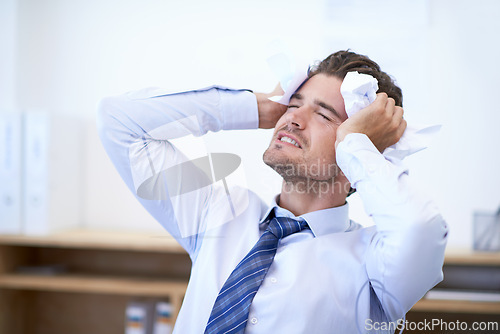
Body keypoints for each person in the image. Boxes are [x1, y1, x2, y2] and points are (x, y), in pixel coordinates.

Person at [97, 50, 448, 333]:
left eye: (324, 115)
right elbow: (119, 122)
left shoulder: (374, 264)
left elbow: (421, 229)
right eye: (294, 104)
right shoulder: (217, 212)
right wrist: (252, 108)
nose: (292, 119)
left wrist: (358, 146)